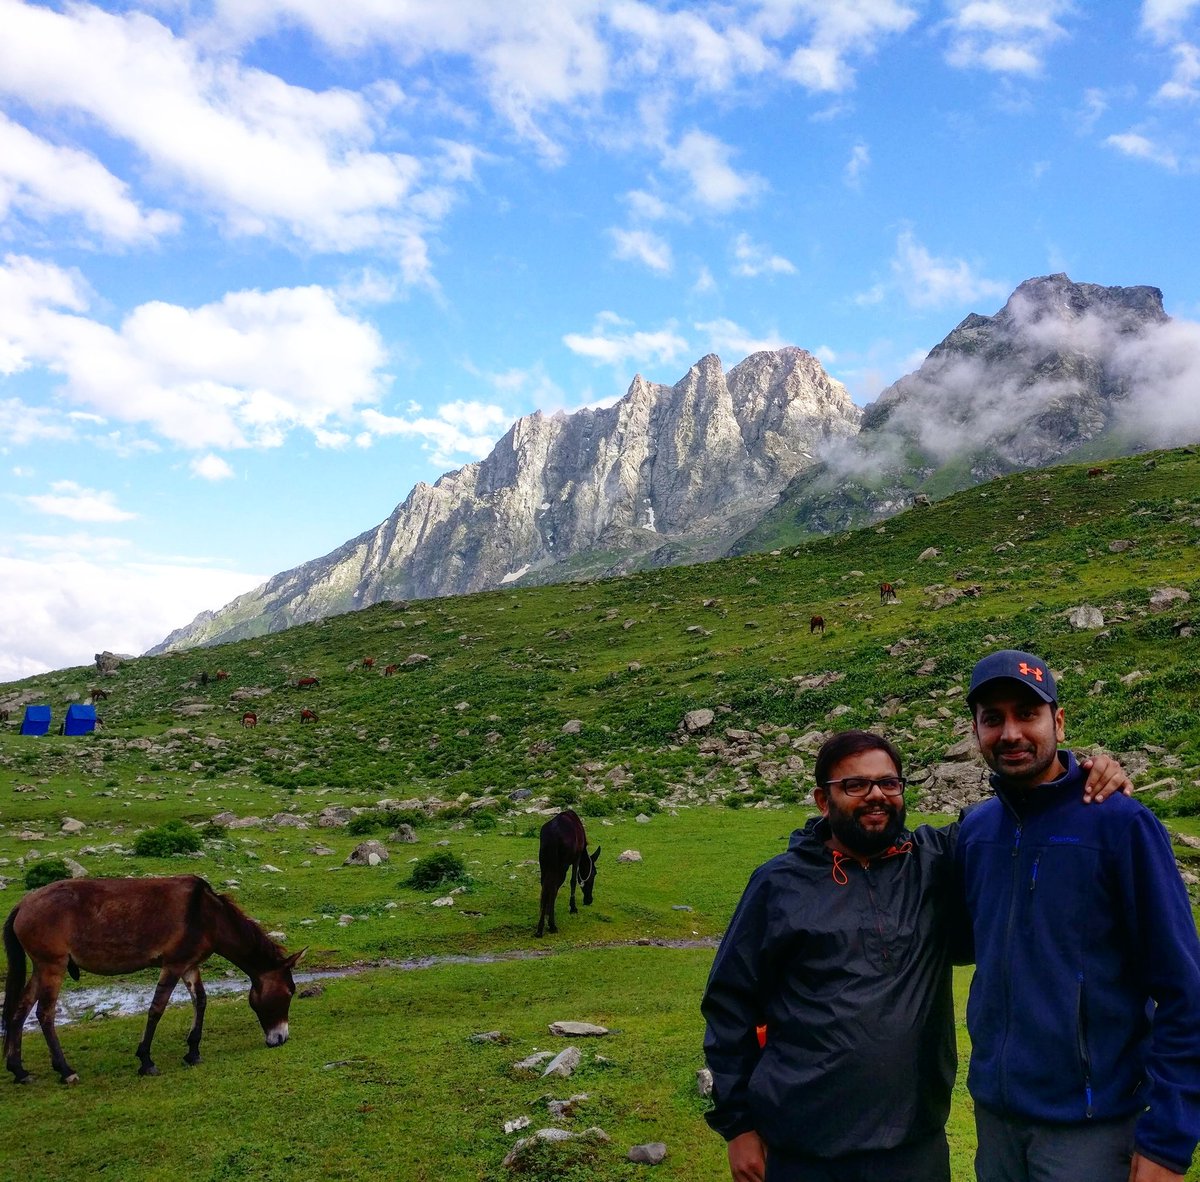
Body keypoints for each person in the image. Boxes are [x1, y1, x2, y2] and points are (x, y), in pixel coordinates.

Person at [701, 727, 1131, 1182]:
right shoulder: (778, 885)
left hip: (914, 1145)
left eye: (889, 783)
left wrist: (1083, 773)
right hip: (802, 1147)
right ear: (822, 801)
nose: (876, 796)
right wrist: (739, 1127)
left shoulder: (934, 860)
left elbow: (1014, 810)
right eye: (855, 785)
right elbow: (730, 1006)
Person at [956, 649, 1200, 1182]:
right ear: (975, 730)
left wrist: (1167, 1140)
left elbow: (1184, 988)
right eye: (993, 718)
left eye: (1028, 713)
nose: (1011, 732)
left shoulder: (1119, 825)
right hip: (997, 1123)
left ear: (1058, 722)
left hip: (1091, 1127)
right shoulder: (975, 832)